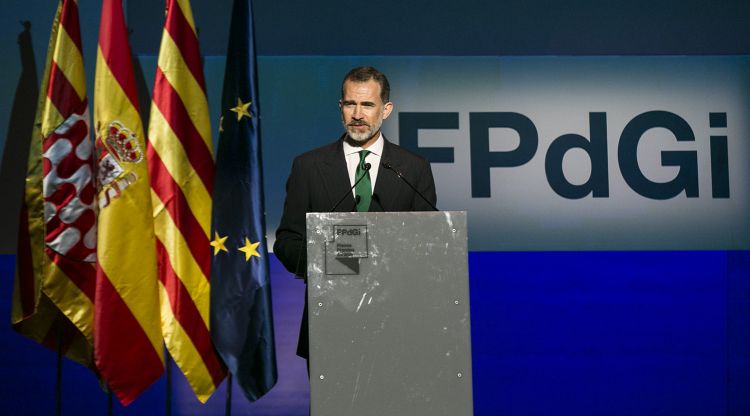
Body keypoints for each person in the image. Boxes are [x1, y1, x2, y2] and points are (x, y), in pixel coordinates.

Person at [274, 66, 437, 359]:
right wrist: (340, 262)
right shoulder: (308, 167)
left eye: (367, 105)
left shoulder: (413, 168)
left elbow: (429, 245)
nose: (358, 114)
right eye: (351, 104)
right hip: (330, 324)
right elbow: (287, 243)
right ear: (341, 107)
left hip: (399, 327)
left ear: (386, 110)